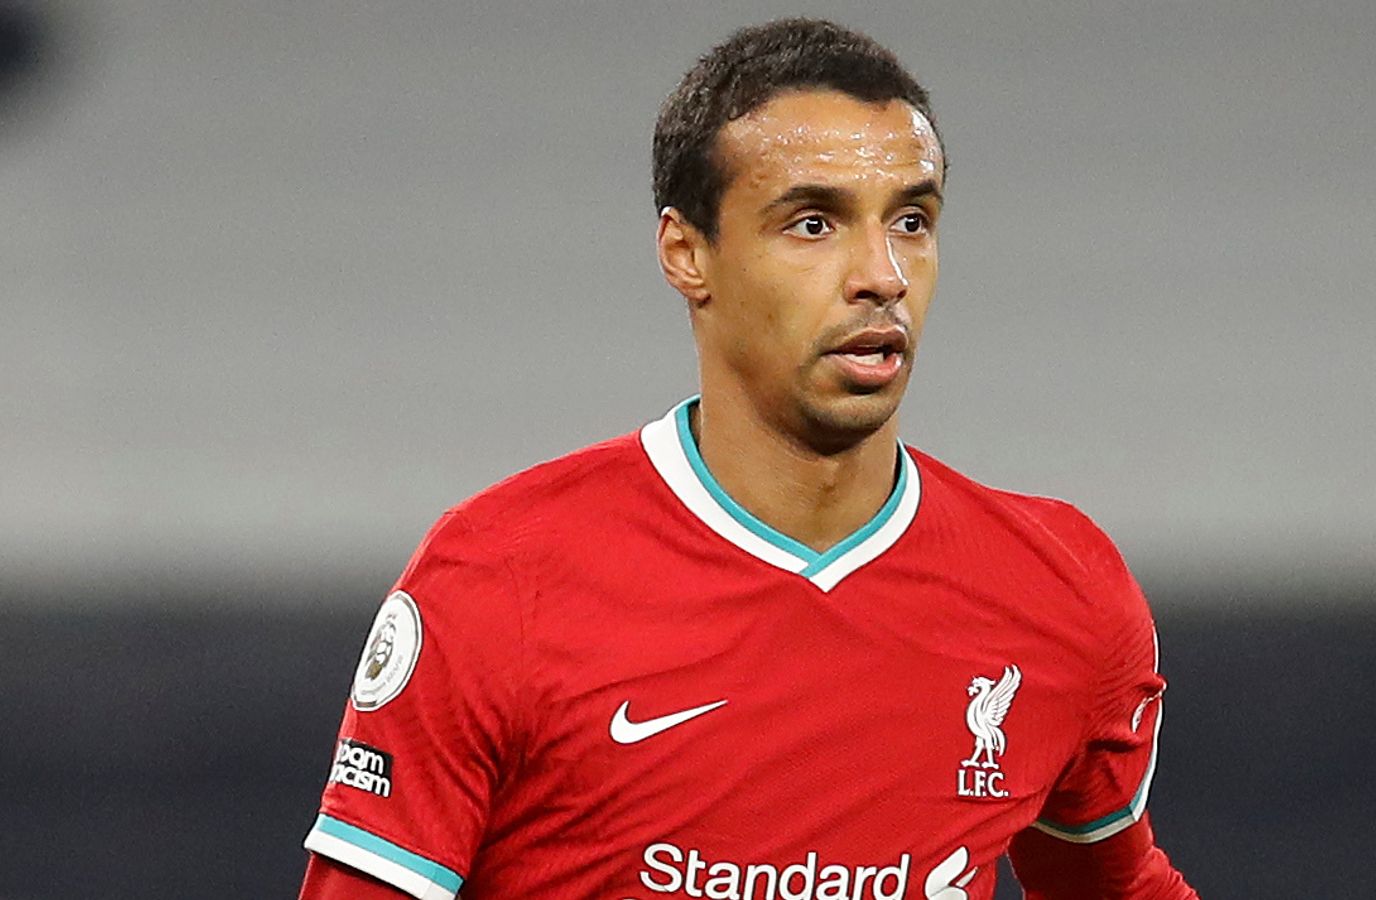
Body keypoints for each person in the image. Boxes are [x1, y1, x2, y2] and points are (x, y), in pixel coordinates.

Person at [299, 18, 1198, 900]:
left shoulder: (1061, 591)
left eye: (911, 220)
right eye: (813, 224)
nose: (882, 275)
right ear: (687, 253)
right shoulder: (500, 579)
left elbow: (1117, 885)